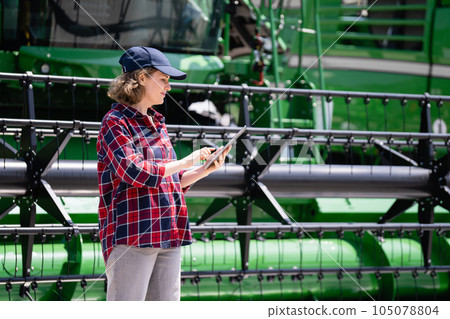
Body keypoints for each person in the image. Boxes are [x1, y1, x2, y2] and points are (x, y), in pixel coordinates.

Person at [96, 46, 231, 301]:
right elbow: (133, 171)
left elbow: (169, 180)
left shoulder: (157, 123)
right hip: (133, 235)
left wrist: (203, 169)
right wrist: (184, 162)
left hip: (169, 233)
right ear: (142, 78)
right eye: (164, 79)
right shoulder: (115, 122)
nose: (168, 87)